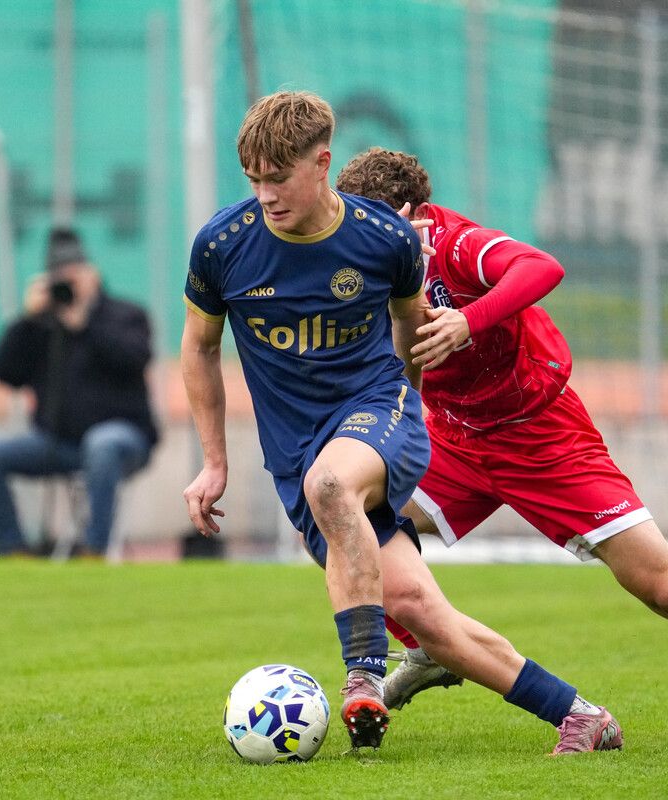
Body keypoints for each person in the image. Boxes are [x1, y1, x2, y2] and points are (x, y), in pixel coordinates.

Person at [335, 147, 668, 747]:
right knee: (343, 525)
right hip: (453, 438)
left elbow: (541, 268)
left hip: (542, 437)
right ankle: (427, 650)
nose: (363, 238)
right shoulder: (362, 262)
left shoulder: (456, 244)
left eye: (376, 222)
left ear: (412, 212)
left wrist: (467, 322)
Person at [182, 91, 622, 755]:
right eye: (254, 179)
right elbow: (199, 348)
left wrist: (404, 418)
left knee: (332, 487)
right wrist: (214, 461)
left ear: (322, 162)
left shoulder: (381, 237)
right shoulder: (223, 245)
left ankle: (363, 675)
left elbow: (411, 327)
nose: (265, 194)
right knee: (420, 614)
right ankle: (579, 715)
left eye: (278, 177)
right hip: (293, 455)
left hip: (378, 412)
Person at [0, 227, 159, 558]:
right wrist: (27, 320)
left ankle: (93, 550)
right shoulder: (43, 325)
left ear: (92, 274)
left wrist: (83, 324)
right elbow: (3, 372)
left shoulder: (125, 314)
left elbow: (136, 358)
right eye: (60, 276)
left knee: (101, 443)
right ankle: (13, 550)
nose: (68, 283)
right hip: (57, 442)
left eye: (74, 274)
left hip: (123, 439)